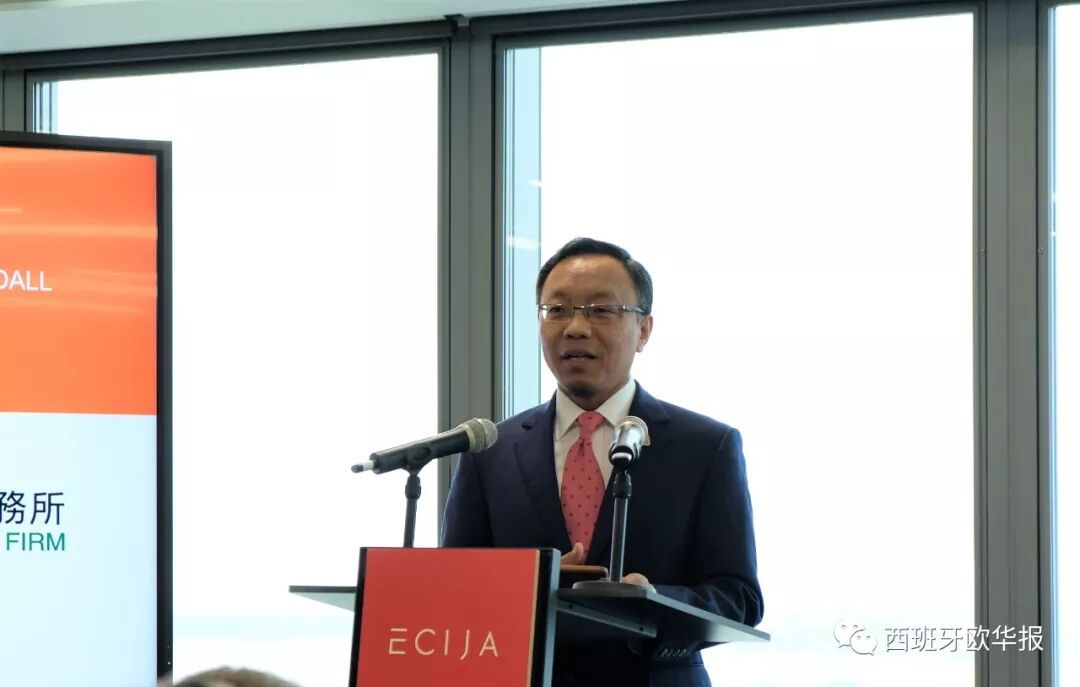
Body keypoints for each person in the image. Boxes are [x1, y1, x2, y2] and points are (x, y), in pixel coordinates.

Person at [441, 237, 763, 687]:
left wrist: (652, 600)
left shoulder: (706, 446)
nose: (575, 327)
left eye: (601, 310)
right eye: (557, 310)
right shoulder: (490, 449)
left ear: (644, 330)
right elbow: (454, 586)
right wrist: (532, 581)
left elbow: (738, 597)